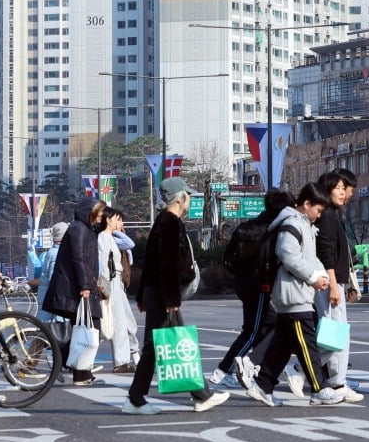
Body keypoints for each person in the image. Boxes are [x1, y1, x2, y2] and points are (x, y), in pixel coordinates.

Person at [121, 177, 231, 416]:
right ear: (180, 198)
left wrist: (143, 295)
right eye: (188, 196)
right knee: (175, 345)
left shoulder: (163, 222)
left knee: (158, 345)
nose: (190, 200)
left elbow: (150, 262)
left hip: (156, 292)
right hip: (163, 294)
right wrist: (171, 299)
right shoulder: (170, 223)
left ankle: (142, 397)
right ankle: (196, 396)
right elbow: (166, 264)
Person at [242, 182, 346, 407]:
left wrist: (322, 277)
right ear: (306, 204)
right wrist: (312, 277)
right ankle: (319, 388)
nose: (318, 216)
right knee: (307, 345)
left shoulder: (303, 224)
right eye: (317, 211)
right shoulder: (292, 223)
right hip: (294, 295)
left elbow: (307, 257)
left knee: (283, 344)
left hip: (295, 294)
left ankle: (263, 384)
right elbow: (288, 255)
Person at [210, 189, 294, 389]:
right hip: (258, 284)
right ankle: (226, 369)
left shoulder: (252, 225)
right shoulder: (271, 229)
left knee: (260, 326)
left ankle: (252, 367)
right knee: (257, 329)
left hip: (244, 281)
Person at [43, 199, 106, 385]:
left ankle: (78, 372)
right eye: (99, 212)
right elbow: (78, 259)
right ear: (90, 212)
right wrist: (85, 286)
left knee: (85, 330)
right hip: (73, 289)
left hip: (78, 288)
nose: (102, 216)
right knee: (89, 329)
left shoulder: (87, 229)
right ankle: (64, 361)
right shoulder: (78, 229)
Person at [313, 168, 363, 403]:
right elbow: (326, 253)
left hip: (335, 281)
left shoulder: (332, 214)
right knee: (335, 334)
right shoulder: (328, 216)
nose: (344, 193)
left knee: (335, 334)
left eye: (345, 189)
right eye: (339, 188)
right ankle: (305, 370)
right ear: (327, 189)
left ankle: (337, 381)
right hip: (328, 282)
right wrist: (334, 284)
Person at [97, 207, 136, 373]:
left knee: (116, 323)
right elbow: (103, 264)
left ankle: (122, 361)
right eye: (117, 219)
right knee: (113, 323)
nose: (119, 223)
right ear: (108, 220)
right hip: (111, 282)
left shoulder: (108, 237)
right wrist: (104, 288)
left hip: (115, 281)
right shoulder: (104, 238)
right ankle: (121, 362)